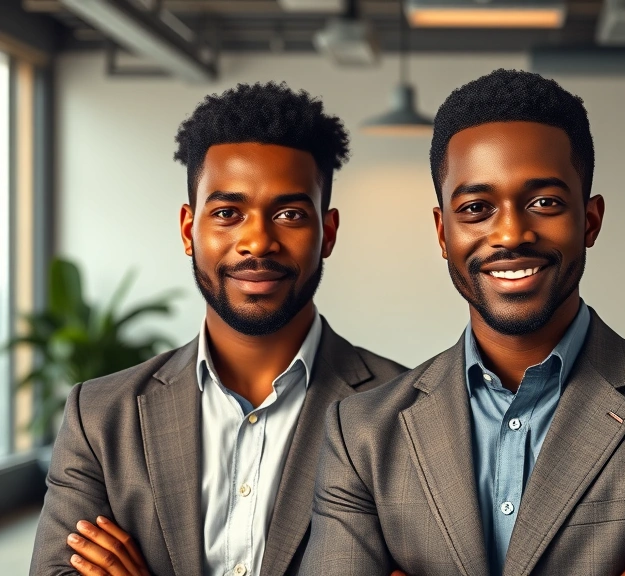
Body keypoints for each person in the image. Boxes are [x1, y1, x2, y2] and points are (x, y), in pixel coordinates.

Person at [299, 69, 625, 576]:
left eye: (544, 202)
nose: (511, 233)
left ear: (590, 220)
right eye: (476, 208)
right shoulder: (361, 433)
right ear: (442, 232)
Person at [30, 82, 406, 576]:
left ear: (327, 232)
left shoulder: (405, 411)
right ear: (189, 230)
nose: (257, 241)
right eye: (228, 213)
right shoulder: (100, 417)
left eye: (290, 214)